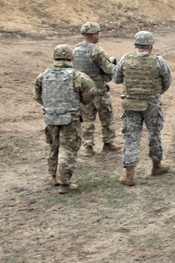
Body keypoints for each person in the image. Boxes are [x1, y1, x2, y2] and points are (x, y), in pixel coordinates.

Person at [33, 44, 96, 194]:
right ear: (70, 57)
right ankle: (64, 182)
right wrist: (79, 103)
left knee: (54, 145)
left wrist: (51, 106)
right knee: (68, 149)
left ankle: (53, 176)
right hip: (70, 117)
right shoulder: (77, 76)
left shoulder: (43, 76)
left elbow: (37, 96)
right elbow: (90, 93)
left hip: (50, 117)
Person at [113, 30, 173, 186]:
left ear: (136, 44)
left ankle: (129, 174)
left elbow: (117, 78)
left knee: (131, 137)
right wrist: (157, 93)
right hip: (152, 103)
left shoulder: (126, 59)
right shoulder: (158, 61)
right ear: (150, 45)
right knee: (154, 134)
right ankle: (156, 166)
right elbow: (167, 80)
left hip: (131, 103)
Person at [73, 22, 121, 156]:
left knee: (87, 118)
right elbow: (108, 68)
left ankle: (88, 146)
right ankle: (108, 142)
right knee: (106, 115)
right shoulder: (96, 50)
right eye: (98, 33)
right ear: (94, 34)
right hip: (99, 89)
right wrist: (116, 66)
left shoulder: (75, 50)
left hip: (84, 90)